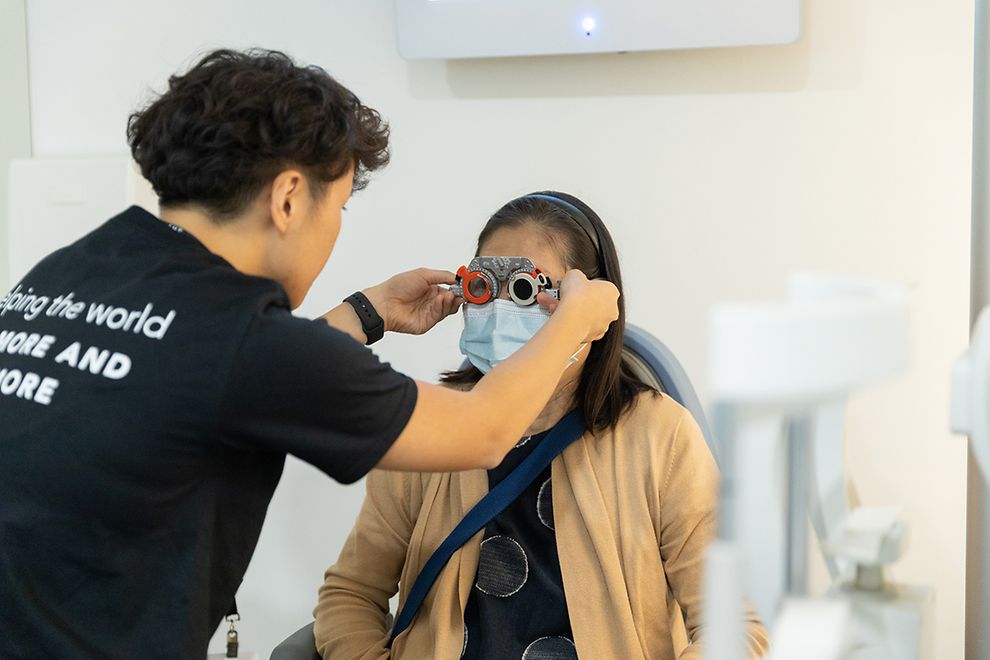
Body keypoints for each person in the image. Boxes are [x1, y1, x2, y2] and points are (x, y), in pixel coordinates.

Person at [0, 52, 619, 659]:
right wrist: (573, 322)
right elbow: (483, 431)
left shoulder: (69, 272)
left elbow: (217, 374)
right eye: (340, 206)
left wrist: (365, 313)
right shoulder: (242, 337)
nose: (336, 230)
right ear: (290, 197)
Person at [315, 192, 769, 660]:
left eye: (527, 291)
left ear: (591, 308)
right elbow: (351, 593)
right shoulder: (431, 425)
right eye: (483, 287)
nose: (501, 313)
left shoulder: (661, 437)